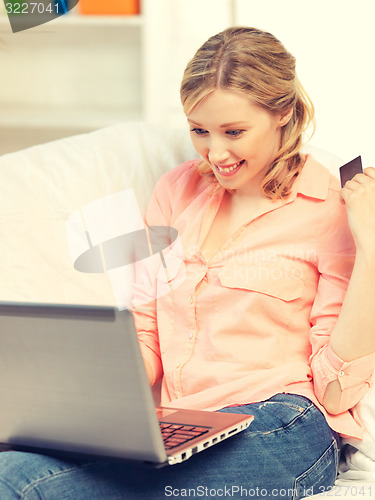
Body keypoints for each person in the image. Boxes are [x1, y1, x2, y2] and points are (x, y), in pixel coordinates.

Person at [1, 26, 375, 500]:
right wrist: (82, 409)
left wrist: (372, 251)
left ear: (282, 113)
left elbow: (338, 392)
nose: (215, 153)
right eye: (199, 131)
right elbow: (147, 333)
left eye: (234, 132)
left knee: (27, 487)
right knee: (12, 469)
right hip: (182, 426)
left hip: (285, 427)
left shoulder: (330, 206)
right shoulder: (175, 192)